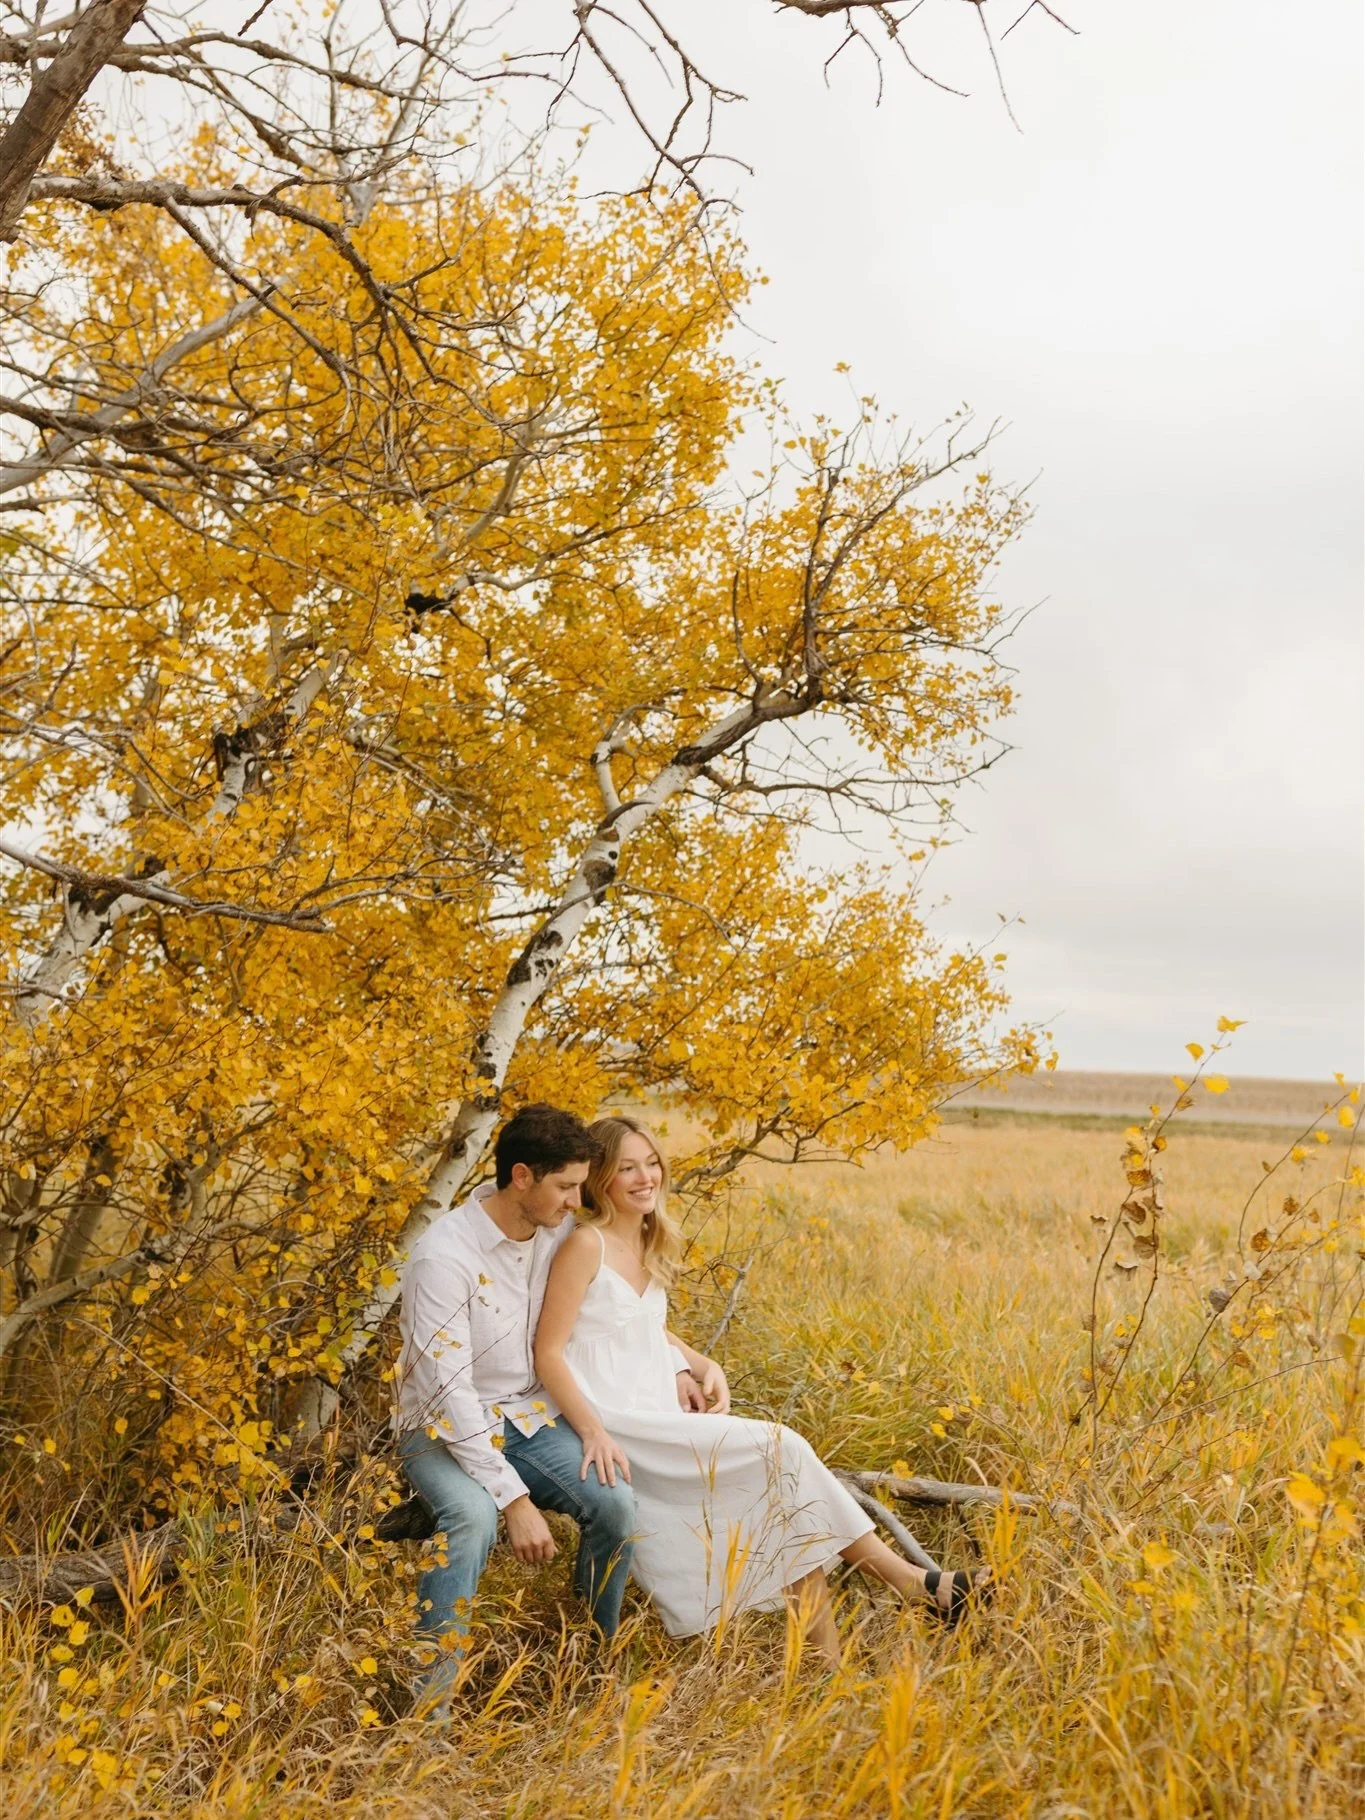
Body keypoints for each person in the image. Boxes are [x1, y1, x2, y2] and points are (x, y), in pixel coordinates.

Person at [533, 1114, 988, 1662]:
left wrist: (699, 1363)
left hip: (657, 1408)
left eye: (651, 1163)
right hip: (617, 1421)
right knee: (780, 1448)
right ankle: (914, 1583)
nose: (645, 1177)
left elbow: (639, 1327)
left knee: (781, 1500)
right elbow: (549, 1351)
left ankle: (828, 1667)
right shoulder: (586, 1244)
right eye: (627, 1168)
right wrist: (593, 1432)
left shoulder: (649, 1238)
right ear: (601, 1177)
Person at [393, 1102, 707, 1715]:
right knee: (472, 1520)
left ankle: (588, 1668)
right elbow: (450, 1392)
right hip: (440, 1426)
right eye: (565, 1187)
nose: (576, 1201)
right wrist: (513, 1501)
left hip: (528, 1418)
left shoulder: (557, 1229)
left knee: (615, 1503)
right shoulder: (445, 1257)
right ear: (521, 1178)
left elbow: (615, 1314)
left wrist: (679, 1363)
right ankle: (428, 1715)